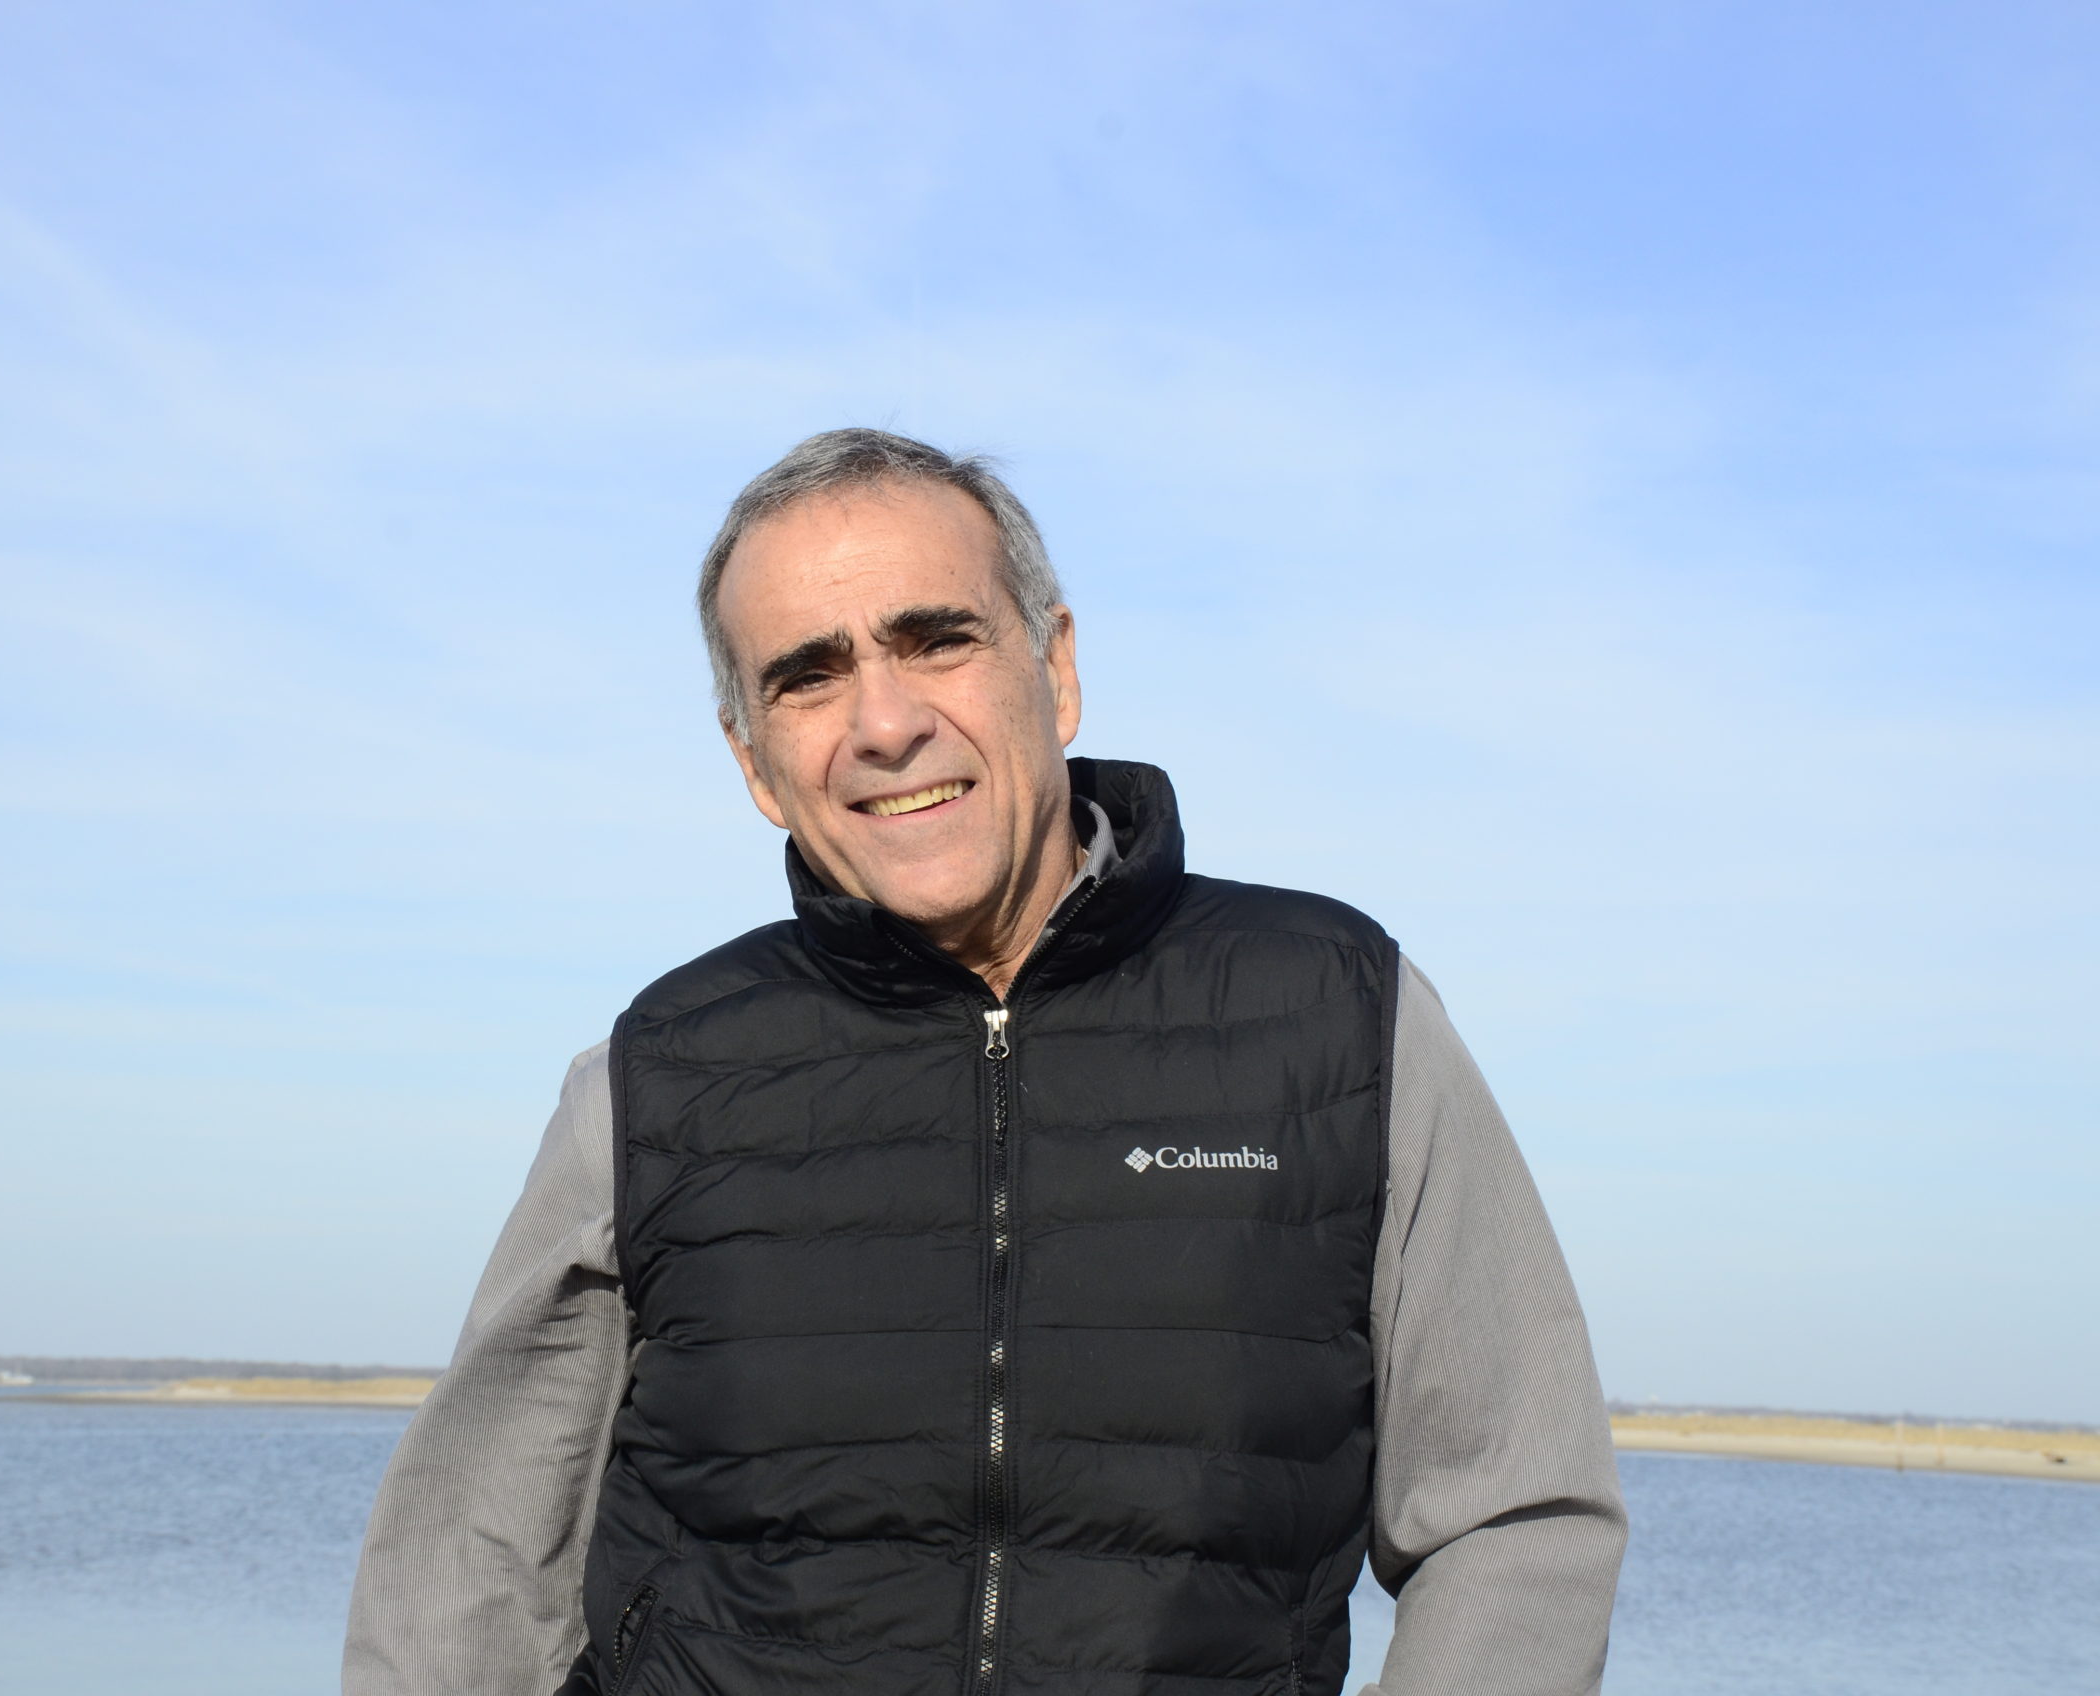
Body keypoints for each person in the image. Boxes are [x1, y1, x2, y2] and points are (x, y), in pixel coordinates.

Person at [343, 429, 1626, 1696]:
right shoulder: (653, 1078)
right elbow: (468, 1574)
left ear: (1053, 670)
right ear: (754, 764)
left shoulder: (1344, 1015)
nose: (884, 724)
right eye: (806, 676)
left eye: (934, 638)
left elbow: (1513, 1516)